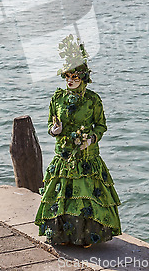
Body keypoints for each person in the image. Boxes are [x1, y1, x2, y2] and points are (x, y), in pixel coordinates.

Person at [35, 34, 121, 246]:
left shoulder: (93, 100)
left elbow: (101, 126)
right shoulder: (57, 98)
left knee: (85, 196)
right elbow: (50, 125)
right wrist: (55, 130)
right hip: (63, 157)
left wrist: (91, 139)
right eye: (67, 77)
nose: (70, 81)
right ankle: (62, 236)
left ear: (83, 78)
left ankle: (85, 237)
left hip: (87, 157)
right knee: (61, 195)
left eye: (75, 77)